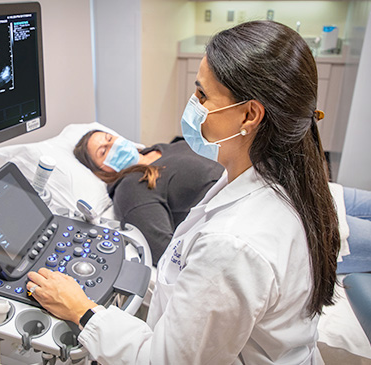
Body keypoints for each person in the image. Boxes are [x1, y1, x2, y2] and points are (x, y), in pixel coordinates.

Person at [26, 20, 340, 364]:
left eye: (203, 94)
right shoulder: (281, 181)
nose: (192, 103)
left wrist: (81, 310)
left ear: (249, 115)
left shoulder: (233, 246)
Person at [73, 131, 224, 265]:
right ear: (101, 171)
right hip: (231, 217)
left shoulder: (161, 148)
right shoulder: (131, 188)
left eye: (109, 138)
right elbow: (166, 253)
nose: (113, 145)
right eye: (104, 151)